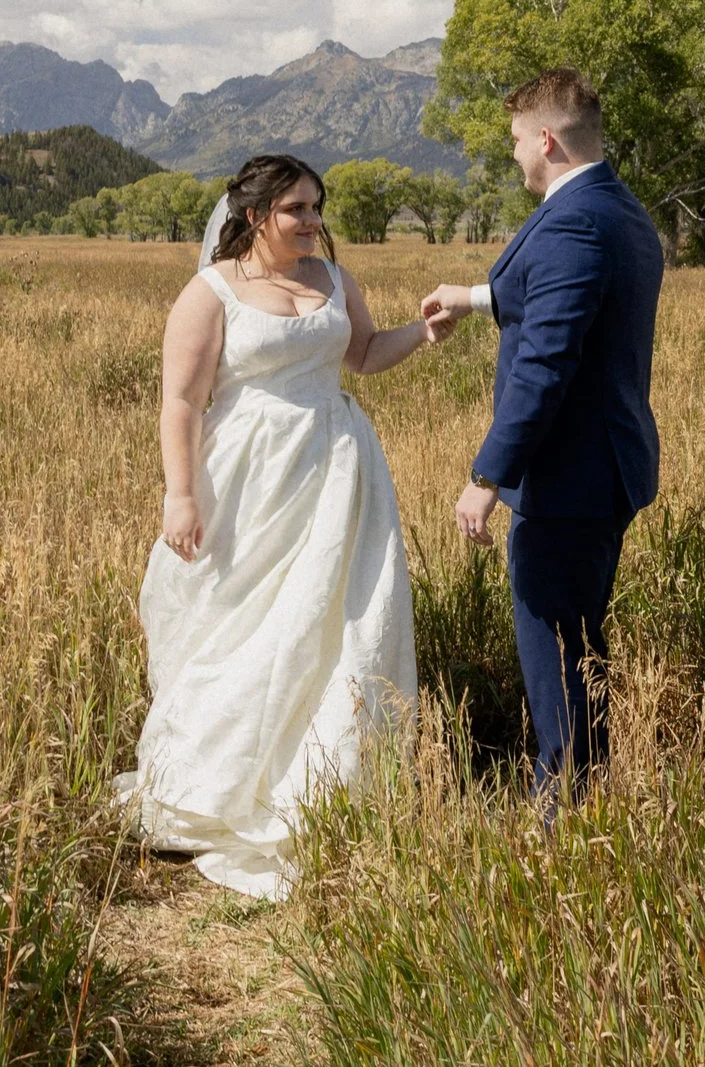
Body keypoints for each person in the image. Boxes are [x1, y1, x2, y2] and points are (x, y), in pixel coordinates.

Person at [119, 152, 446, 896]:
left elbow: (361, 354)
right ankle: (215, 788)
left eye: (316, 206)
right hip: (248, 478)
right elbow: (180, 400)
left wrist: (422, 333)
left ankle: (324, 784)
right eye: (297, 208)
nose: (313, 221)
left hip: (338, 471)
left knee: (337, 623)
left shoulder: (335, 281)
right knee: (240, 626)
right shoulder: (211, 292)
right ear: (256, 214)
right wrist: (180, 494)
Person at [422, 69, 664, 796]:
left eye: (519, 140)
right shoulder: (616, 208)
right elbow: (561, 293)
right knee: (580, 650)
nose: (516, 154)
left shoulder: (574, 222)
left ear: (548, 139)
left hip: (566, 482)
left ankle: (563, 821)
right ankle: (582, 800)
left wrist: (487, 475)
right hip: (603, 473)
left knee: (558, 664)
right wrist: (472, 297)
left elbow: (547, 362)